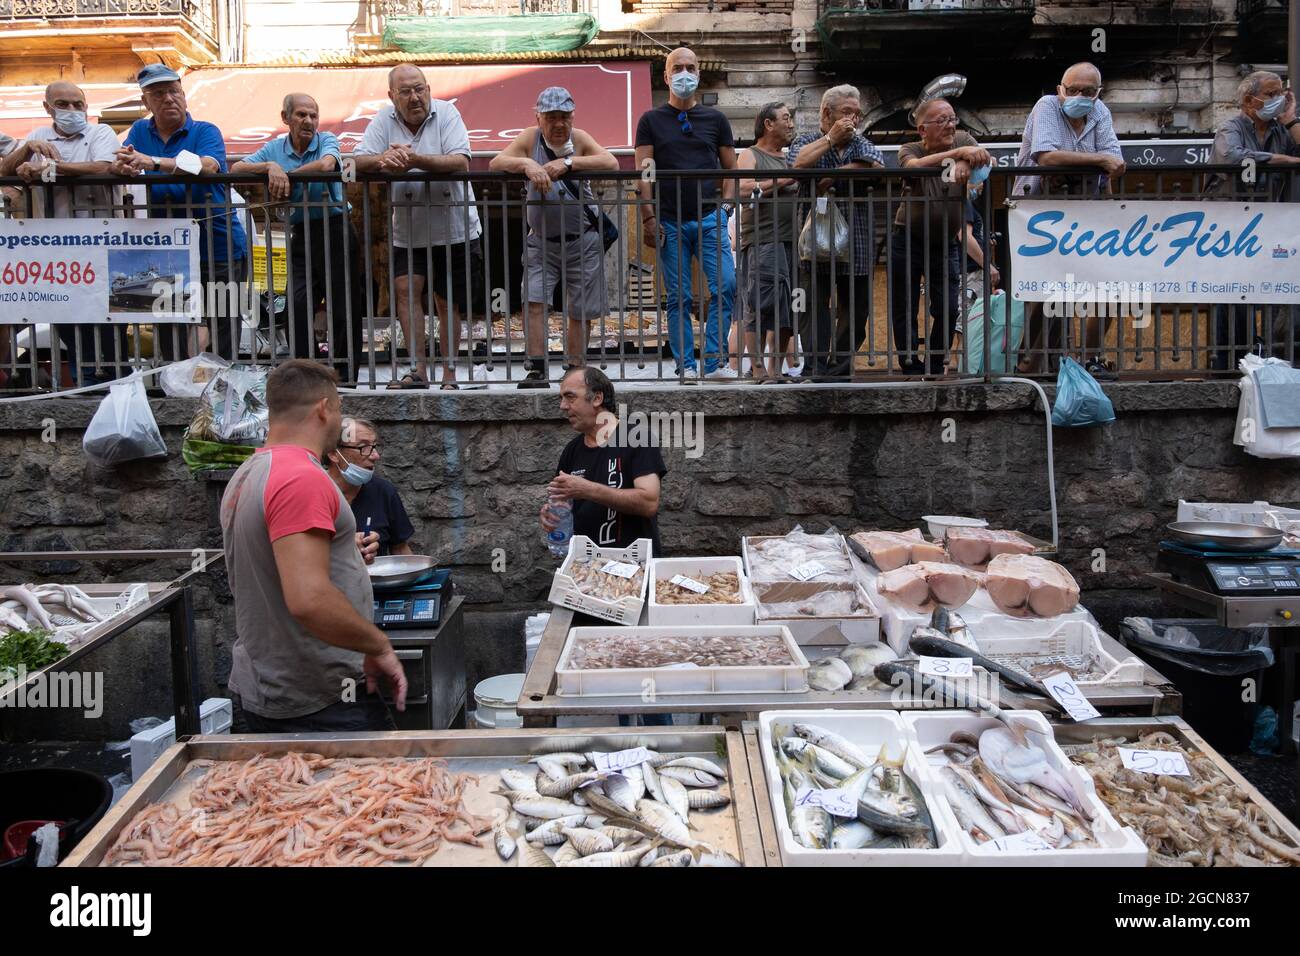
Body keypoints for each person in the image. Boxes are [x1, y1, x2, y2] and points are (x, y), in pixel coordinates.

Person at [221, 360, 407, 733]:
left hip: (274, 689)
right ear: (324, 408)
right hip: (320, 699)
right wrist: (377, 645)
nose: (338, 420)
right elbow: (308, 598)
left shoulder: (249, 472)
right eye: (338, 408)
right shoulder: (301, 478)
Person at [540, 366, 669, 726]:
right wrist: (551, 518)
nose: (563, 406)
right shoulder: (571, 452)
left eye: (570, 396)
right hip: (586, 584)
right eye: (560, 397)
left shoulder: (634, 438)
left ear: (597, 399)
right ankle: (614, 746)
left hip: (634, 582)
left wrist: (587, 490)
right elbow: (564, 505)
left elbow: (648, 501)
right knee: (601, 674)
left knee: (645, 671)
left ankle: (666, 747)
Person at [353, 65, 482, 390]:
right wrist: (384, 158)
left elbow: (460, 161)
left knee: (446, 301)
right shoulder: (383, 120)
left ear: (428, 88)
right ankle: (418, 371)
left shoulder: (447, 113)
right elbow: (353, 165)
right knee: (405, 293)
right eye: (406, 92)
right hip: (407, 230)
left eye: (419, 89)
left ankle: (449, 373)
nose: (415, 97)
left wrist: (414, 160)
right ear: (392, 96)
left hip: (453, 226)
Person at [111, 64, 249, 362]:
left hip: (218, 245)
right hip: (166, 249)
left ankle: (222, 389)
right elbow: (124, 159)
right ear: (146, 102)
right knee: (168, 323)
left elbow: (207, 165)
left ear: (184, 96)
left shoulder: (204, 130)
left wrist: (153, 161)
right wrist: (123, 165)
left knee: (222, 322)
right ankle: (177, 387)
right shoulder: (138, 131)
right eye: (159, 94)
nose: (169, 99)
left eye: (174, 91)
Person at [490, 87, 619, 388]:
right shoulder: (529, 139)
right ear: (539, 118)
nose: (559, 124)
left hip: (582, 240)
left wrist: (569, 163)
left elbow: (610, 162)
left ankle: (575, 371)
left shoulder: (581, 139)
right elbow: (497, 162)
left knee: (579, 308)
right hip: (541, 242)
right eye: (551, 118)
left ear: (573, 117)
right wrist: (527, 164)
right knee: (533, 300)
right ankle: (536, 368)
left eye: (564, 117)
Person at [232, 94, 366, 382]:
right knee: (296, 302)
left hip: (336, 227)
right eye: (301, 115)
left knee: (344, 306)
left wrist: (286, 176)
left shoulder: (327, 139)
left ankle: (346, 375)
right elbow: (237, 168)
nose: (308, 121)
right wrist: (270, 167)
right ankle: (310, 371)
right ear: (285, 118)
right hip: (301, 232)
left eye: (313, 116)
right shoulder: (274, 148)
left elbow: (327, 166)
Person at [0, 81, 126, 385]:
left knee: (109, 322)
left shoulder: (100, 132)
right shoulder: (38, 136)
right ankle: (87, 383)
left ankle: (114, 385)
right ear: (48, 108)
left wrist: (52, 169)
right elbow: (6, 170)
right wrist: (27, 151)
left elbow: (104, 167)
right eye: (63, 104)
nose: (72, 110)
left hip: (103, 243)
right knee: (69, 321)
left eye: (77, 104)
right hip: (59, 248)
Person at [1011, 62, 1125, 378]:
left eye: (1087, 91)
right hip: (1039, 213)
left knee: (1109, 286)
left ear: (1098, 93)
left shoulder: (1100, 111)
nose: (1079, 95)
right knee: (1047, 290)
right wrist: (1099, 160)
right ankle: (1035, 365)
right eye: (1072, 89)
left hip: (1089, 211)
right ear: (1061, 89)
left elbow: (1117, 163)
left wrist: (1102, 169)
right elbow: (1046, 156)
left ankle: (1089, 359)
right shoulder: (1046, 105)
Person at [635, 47, 738, 382]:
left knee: (726, 286)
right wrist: (648, 217)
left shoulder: (716, 119)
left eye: (690, 67)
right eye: (676, 68)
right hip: (669, 220)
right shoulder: (650, 120)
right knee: (678, 297)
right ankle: (686, 365)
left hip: (711, 218)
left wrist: (725, 209)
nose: (684, 73)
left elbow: (731, 171)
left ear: (698, 74)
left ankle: (712, 360)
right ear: (666, 77)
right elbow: (645, 172)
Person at [789, 85, 885, 380]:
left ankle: (840, 369)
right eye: (846, 112)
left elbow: (878, 168)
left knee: (856, 310)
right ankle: (816, 367)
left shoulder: (860, 142)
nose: (853, 120)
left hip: (855, 240)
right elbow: (797, 165)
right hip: (812, 243)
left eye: (856, 114)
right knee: (812, 307)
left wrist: (831, 175)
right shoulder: (806, 140)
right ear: (826, 113)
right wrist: (831, 141)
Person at [890, 98, 992, 375]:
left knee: (948, 306)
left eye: (952, 119)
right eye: (942, 121)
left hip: (945, 242)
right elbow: (912, 167)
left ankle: (936, 363)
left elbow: (984, 160)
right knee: (905, 306)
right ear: (923, 130)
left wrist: (967, 162)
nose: (950, 125)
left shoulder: (963, 138)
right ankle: (909, 363)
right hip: (907, 239)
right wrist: (956, 156)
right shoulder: (909, 148)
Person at [1207, 71, 1300, 371]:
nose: (1279, 100)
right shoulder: (1230, 127)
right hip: (1231, 228)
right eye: (1272, 95)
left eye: (1282, 94)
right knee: (1232, 292)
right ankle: (1228, 362)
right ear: (1249, 101)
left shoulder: (1280, 131)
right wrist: (1281, 161)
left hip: (1270, 226)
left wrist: (1291, 120)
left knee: (1272, 288)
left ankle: (1270, 357)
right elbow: (1233, 157)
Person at [736, 102, 799, 383]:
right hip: (762, 239)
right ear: (768, 124)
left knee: (788, 305)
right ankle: (758, 367)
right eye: (786, 118)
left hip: (790, 241)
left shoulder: (788, 158)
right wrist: (783, 180)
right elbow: (744, 186)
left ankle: (776, 369)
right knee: (760, 303)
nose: (791, 124)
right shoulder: (750, 154)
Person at [326, 416, 416, 557]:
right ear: (333, 454)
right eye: (363, 447)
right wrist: (342, 543)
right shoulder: (313, 492)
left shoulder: (384, 492)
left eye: (373, 446)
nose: (375, 456)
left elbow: (400, 550)